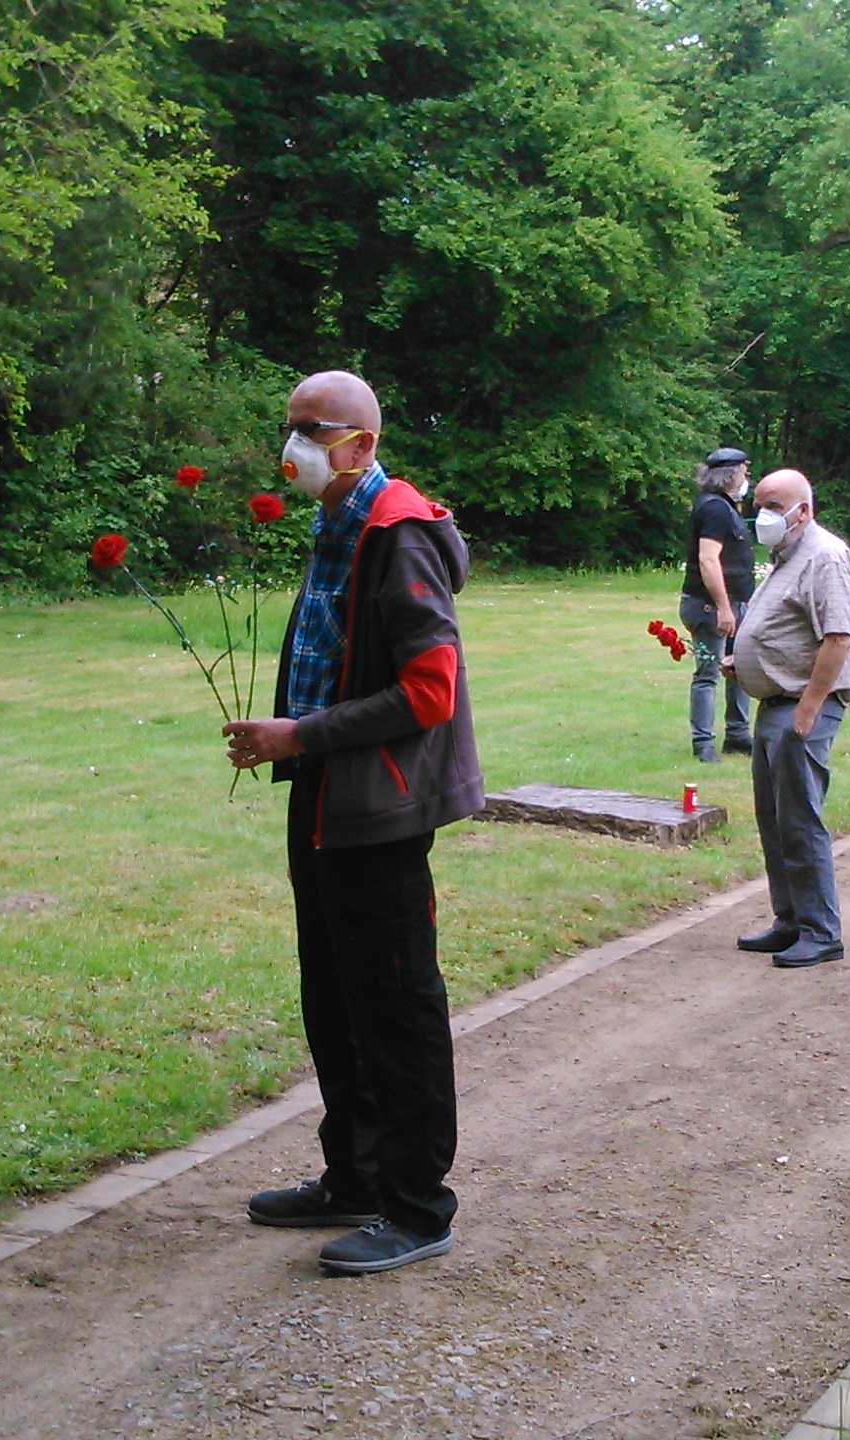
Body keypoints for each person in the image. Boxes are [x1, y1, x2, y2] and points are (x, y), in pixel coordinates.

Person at [221, 370, 484, 1276]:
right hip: (325, 793)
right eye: (288, 426)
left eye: (311, 429)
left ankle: (417, 1206)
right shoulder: (339, 524)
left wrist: (302, 730)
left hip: (381, 806)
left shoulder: (397, 532)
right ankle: (356, 1175)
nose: (291, 446)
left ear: (361, 444)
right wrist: (292, 741)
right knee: (334, 995)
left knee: (396, 1006)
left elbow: (427, 691)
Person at [726, 469, 850, 968]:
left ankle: (822, 931)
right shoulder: (786, 555)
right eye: (757, 502)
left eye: (773, 504)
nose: (761, 513)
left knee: (800, 820)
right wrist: (743, 663)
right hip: (775, 704)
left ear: (802, 509)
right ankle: (790, 920)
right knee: (775, 818)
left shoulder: (825, 555)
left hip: (803, 707)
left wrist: (809, 708)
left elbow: (838, 636)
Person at [678, 447, 755, 762]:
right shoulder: (715, 510)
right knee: (709, 672)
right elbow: (708, 561)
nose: (746, 477)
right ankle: (704, 744)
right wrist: (724, 607)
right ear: (731, 473)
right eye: (743, 471)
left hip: (731, 606)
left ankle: (737, 735)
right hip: (712, 609)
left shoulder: (723, 507)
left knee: (740, 669)